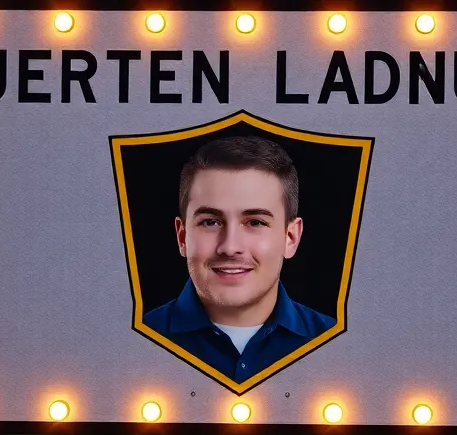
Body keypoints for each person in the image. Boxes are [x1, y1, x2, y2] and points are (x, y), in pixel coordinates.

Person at [142, 135, 336, 382]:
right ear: (182, 236)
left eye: (255, 222)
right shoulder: (133, 341)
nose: (230, 247)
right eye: (210, 222)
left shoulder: (336, 343)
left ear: (290, 237)